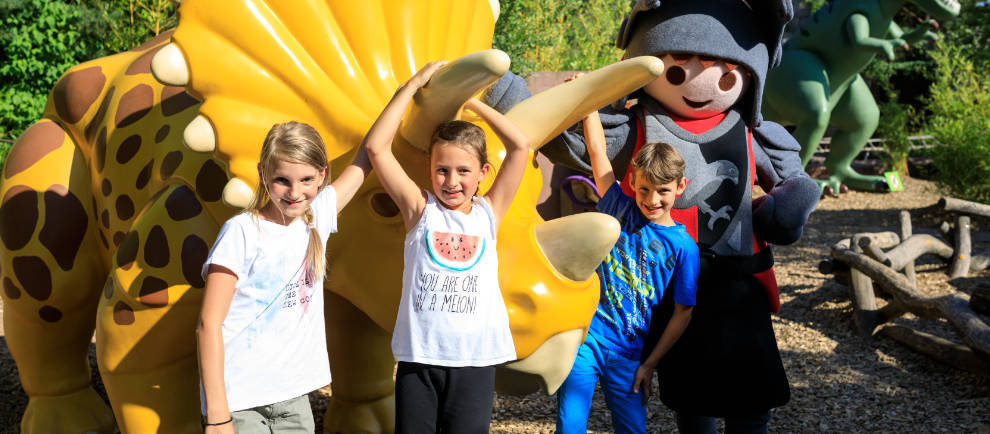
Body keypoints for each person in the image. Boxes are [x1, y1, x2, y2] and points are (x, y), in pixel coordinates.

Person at [364, 61, 531, 433]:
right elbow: (377, 148)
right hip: (418, 360)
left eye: (463, 171)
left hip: (475, 361)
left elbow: (521, 146)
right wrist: (411, 86)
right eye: (442, 170)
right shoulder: (419, 210)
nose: (451, 181)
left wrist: (474, 104)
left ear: (483, 173)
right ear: (429, 168)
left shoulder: (489, 214)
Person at [197, 121, 371, 433]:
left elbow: (366, 157)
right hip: (240, 402)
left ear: (322, 175)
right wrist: (218, 414)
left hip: (294, 399)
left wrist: (409, 89)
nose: (295, 192)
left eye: (306, 179)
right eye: (282, 180)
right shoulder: (242, 232)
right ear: (263, 173)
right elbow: (208, 324)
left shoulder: (317, 218)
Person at [556, 102, 700, 434]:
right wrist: (589, 105)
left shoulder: (683, 247)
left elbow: (683, 312)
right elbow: (597, 154)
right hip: (586, 339)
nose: (652, 200)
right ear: (633, 183)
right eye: (644, 189)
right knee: (569, 424)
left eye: (663, 191)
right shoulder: (621, 208)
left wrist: (649, 365)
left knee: (633, 428)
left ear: (680, 187)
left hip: (629, 352)